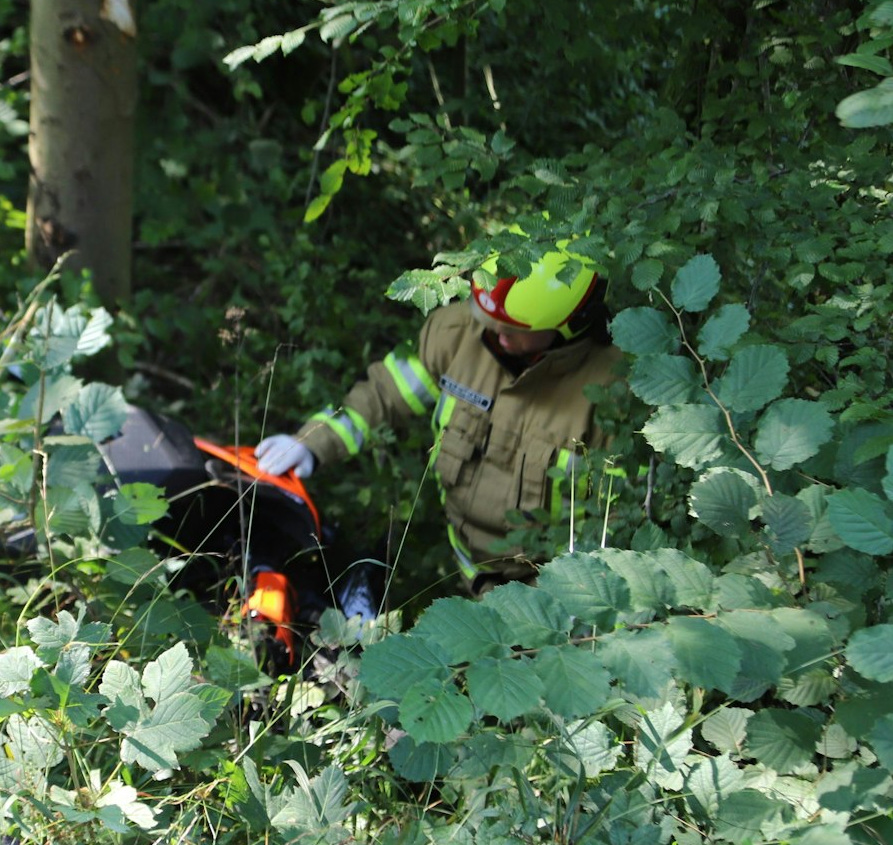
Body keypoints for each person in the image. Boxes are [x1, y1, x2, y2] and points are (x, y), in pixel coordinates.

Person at [254, 243, 623, 592]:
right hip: (465, 572)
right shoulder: (457, 336)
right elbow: (383, 394)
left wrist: (584, 600)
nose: (499, 335)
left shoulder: (612, 392)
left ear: (573, 324)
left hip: (552, 594)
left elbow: (619, 522)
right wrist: (313, 442)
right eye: (491, 318)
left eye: (517, 329)